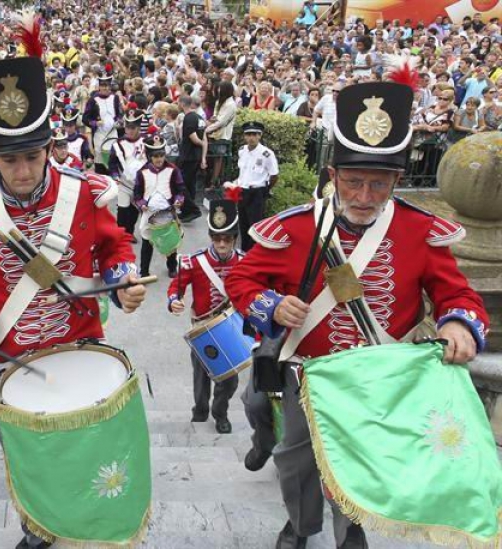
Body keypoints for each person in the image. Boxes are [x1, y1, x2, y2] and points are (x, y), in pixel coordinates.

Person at [225, 79, 489, 549]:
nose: (365, 195)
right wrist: (272, 306)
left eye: (379, 183)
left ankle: (352, 531)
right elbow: (240, 280)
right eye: (353, 181)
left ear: (397, 181)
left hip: (381, 375)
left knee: (364, 457)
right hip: (308, 373)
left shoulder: (419, 229)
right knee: (297, 458)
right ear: (332, 174)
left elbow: (458, 294)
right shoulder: (296, 228)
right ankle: (301, 526)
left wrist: (456, 321)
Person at [0, 44, 147, 549]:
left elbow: (114, 244)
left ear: (50, 149)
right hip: (11, 358)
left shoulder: (83, 191)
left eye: (32, 156)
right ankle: (37, 529)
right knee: (26, 454)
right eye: (10, 159)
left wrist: (124, 277)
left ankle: (90, 523)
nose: (23, 170)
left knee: (86, 449)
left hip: (81, 345)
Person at [168, 198, 243, 434]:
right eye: (217, 238)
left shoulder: (245, 262)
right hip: (202, 328)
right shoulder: (195, 261)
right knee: (201, 376)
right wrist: (174, 301)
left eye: (227, 239)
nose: (222, 243)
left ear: (234, 238)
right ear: (210, 237)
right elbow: (175, 288)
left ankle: (220, 412)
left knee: (229, 378)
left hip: (231, 329)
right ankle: (199, 411)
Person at [134, 133, 183, 277]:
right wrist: (141, 204)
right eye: (156, 156)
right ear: (150, 156)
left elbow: (180, 189)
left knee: (170, 242)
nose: (159, 159)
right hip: (149, 214)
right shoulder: (141, 172)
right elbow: (137, 194)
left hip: (167, 212)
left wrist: (179, 200)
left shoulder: (173, 170)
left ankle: (172, 267)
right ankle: (144, 272)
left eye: (161, 155)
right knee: (147, 242)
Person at [230, 121, 278, 252]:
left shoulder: (266, 154)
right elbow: (242, 172)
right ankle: (244, 252)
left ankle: (253, 253)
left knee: (255, 226)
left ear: (259, 136)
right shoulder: (242, 151)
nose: (251, 137)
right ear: (244, 136)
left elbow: (274, 175)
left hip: (257, 192)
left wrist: (266, 190)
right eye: (248, 134)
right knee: (243, 224)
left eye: (254, 134)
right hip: (242, 191)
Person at [108, 106, 147, 241]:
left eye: (133, 128)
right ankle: (120, 236)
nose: (129, 130)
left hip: (141, 185)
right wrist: (115, 176)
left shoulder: (147, 141)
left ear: (138, 127)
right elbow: (112, 164)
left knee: (134, 211)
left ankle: (129, 233)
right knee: (123, 211)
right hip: (124, 183)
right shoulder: (118, 144)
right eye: (127, 127)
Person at [83, 68, 121, 173]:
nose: (105, 88)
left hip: (113, 133)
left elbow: (119, 115)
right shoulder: (93, 100)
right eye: (103, 85)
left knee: (114, 159)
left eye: (107, 85)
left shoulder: (115, 98)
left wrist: (119, 121)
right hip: (99, 134)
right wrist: (95, 123)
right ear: (99, 86)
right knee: (100, 162)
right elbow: (85, 119)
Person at [177, 96, 207, 222]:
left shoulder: (189, 118)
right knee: (190, 185)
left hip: (188, 157)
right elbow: (205, 138)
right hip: (196, 156)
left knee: (181, 184)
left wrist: (201, 144)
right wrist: (203, 156)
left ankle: (193, 210)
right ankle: (186, 212)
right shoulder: (199, 118)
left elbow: (193, 138)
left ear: (182, 104)